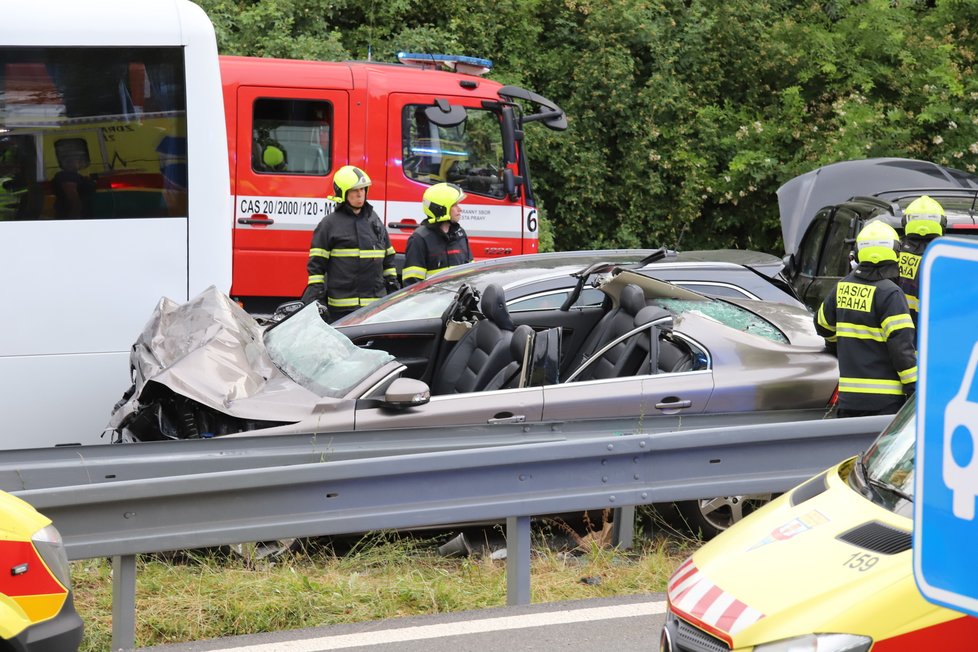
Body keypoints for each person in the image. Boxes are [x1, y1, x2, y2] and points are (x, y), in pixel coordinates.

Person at [814, 220, 917, 418]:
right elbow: (902, 351)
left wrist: (841, 345)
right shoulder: (891, 293)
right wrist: (916, 390)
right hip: (885, 402)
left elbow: (823, 326)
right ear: (895, 253)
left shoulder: (842, 286)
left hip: (848, 399)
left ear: (859, 252)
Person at [299, 165, 398, 322]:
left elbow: (388, 257)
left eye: (363, 189)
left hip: (374, 304)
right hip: (342, 307)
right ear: (343, 193)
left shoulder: (375, 220)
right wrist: (316, 296)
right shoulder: (329, 224)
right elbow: (316, 265)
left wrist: (392, 285)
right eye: (354, 190)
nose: (360, 194)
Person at [401, 182, 473, 286]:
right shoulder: (419, 239)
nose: (460, 209)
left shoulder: (460, 234)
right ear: (441, 209)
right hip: (433, 301)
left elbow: (470, 272)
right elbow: (412, 285)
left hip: (458, 301)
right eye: (454, 205)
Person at [897, 195, 946, 327]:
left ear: (905, 223)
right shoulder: (950, 261)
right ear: (942, 224)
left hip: (897, 338)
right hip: (934, 337)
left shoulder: (892, 257)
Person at [51, 151, 96, 219]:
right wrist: (74, 218)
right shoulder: (67, 176)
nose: (81, 162)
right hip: (72, 216)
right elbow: (74, 201)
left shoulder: (75, 176)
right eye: (78, 160)